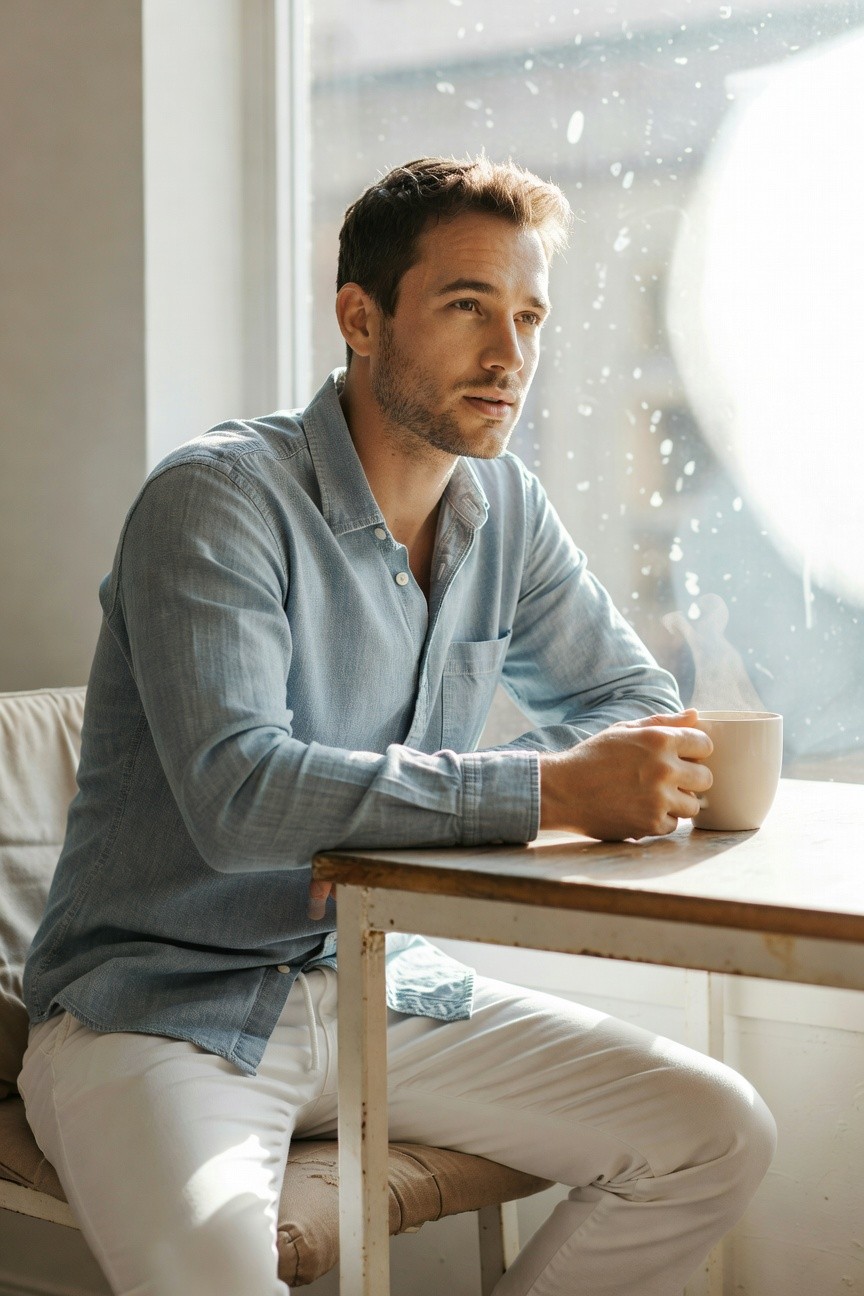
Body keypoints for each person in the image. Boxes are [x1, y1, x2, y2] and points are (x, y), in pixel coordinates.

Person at [20, 155, 775, 1296]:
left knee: (714, 1131)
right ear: (360, 318)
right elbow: (243, 802)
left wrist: (393, 821)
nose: (510, 354)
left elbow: (633, 704)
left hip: (382, 980)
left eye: (528, 315)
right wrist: (546, 791)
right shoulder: (215, 501)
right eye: (469, 307)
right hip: (160, 1009)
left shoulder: (505, 505)